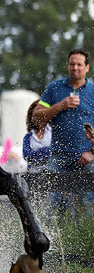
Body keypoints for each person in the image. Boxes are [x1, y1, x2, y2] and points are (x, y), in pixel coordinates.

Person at [32, 48, 94, 212]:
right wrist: (60, 105)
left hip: (86, 157)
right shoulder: (54, 88)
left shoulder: (93, 91)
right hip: (58, 157)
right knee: (51, 207)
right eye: (72, 64)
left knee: (86, 208)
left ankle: (82, 238)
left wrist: (92, 153)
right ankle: (50, 237)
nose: (75, 68)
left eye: (79, 64)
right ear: (68, 66)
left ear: (87, 67)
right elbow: (36, 117)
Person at [22, 99, 51, 173]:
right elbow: (27, 156)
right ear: (31, 117)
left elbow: (57, 152)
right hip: (33, 176)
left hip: (53, 174)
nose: (39, 118)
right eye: (36, 115)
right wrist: (47, 151)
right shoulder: (28, 137)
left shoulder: (55, 133)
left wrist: (36, 152)